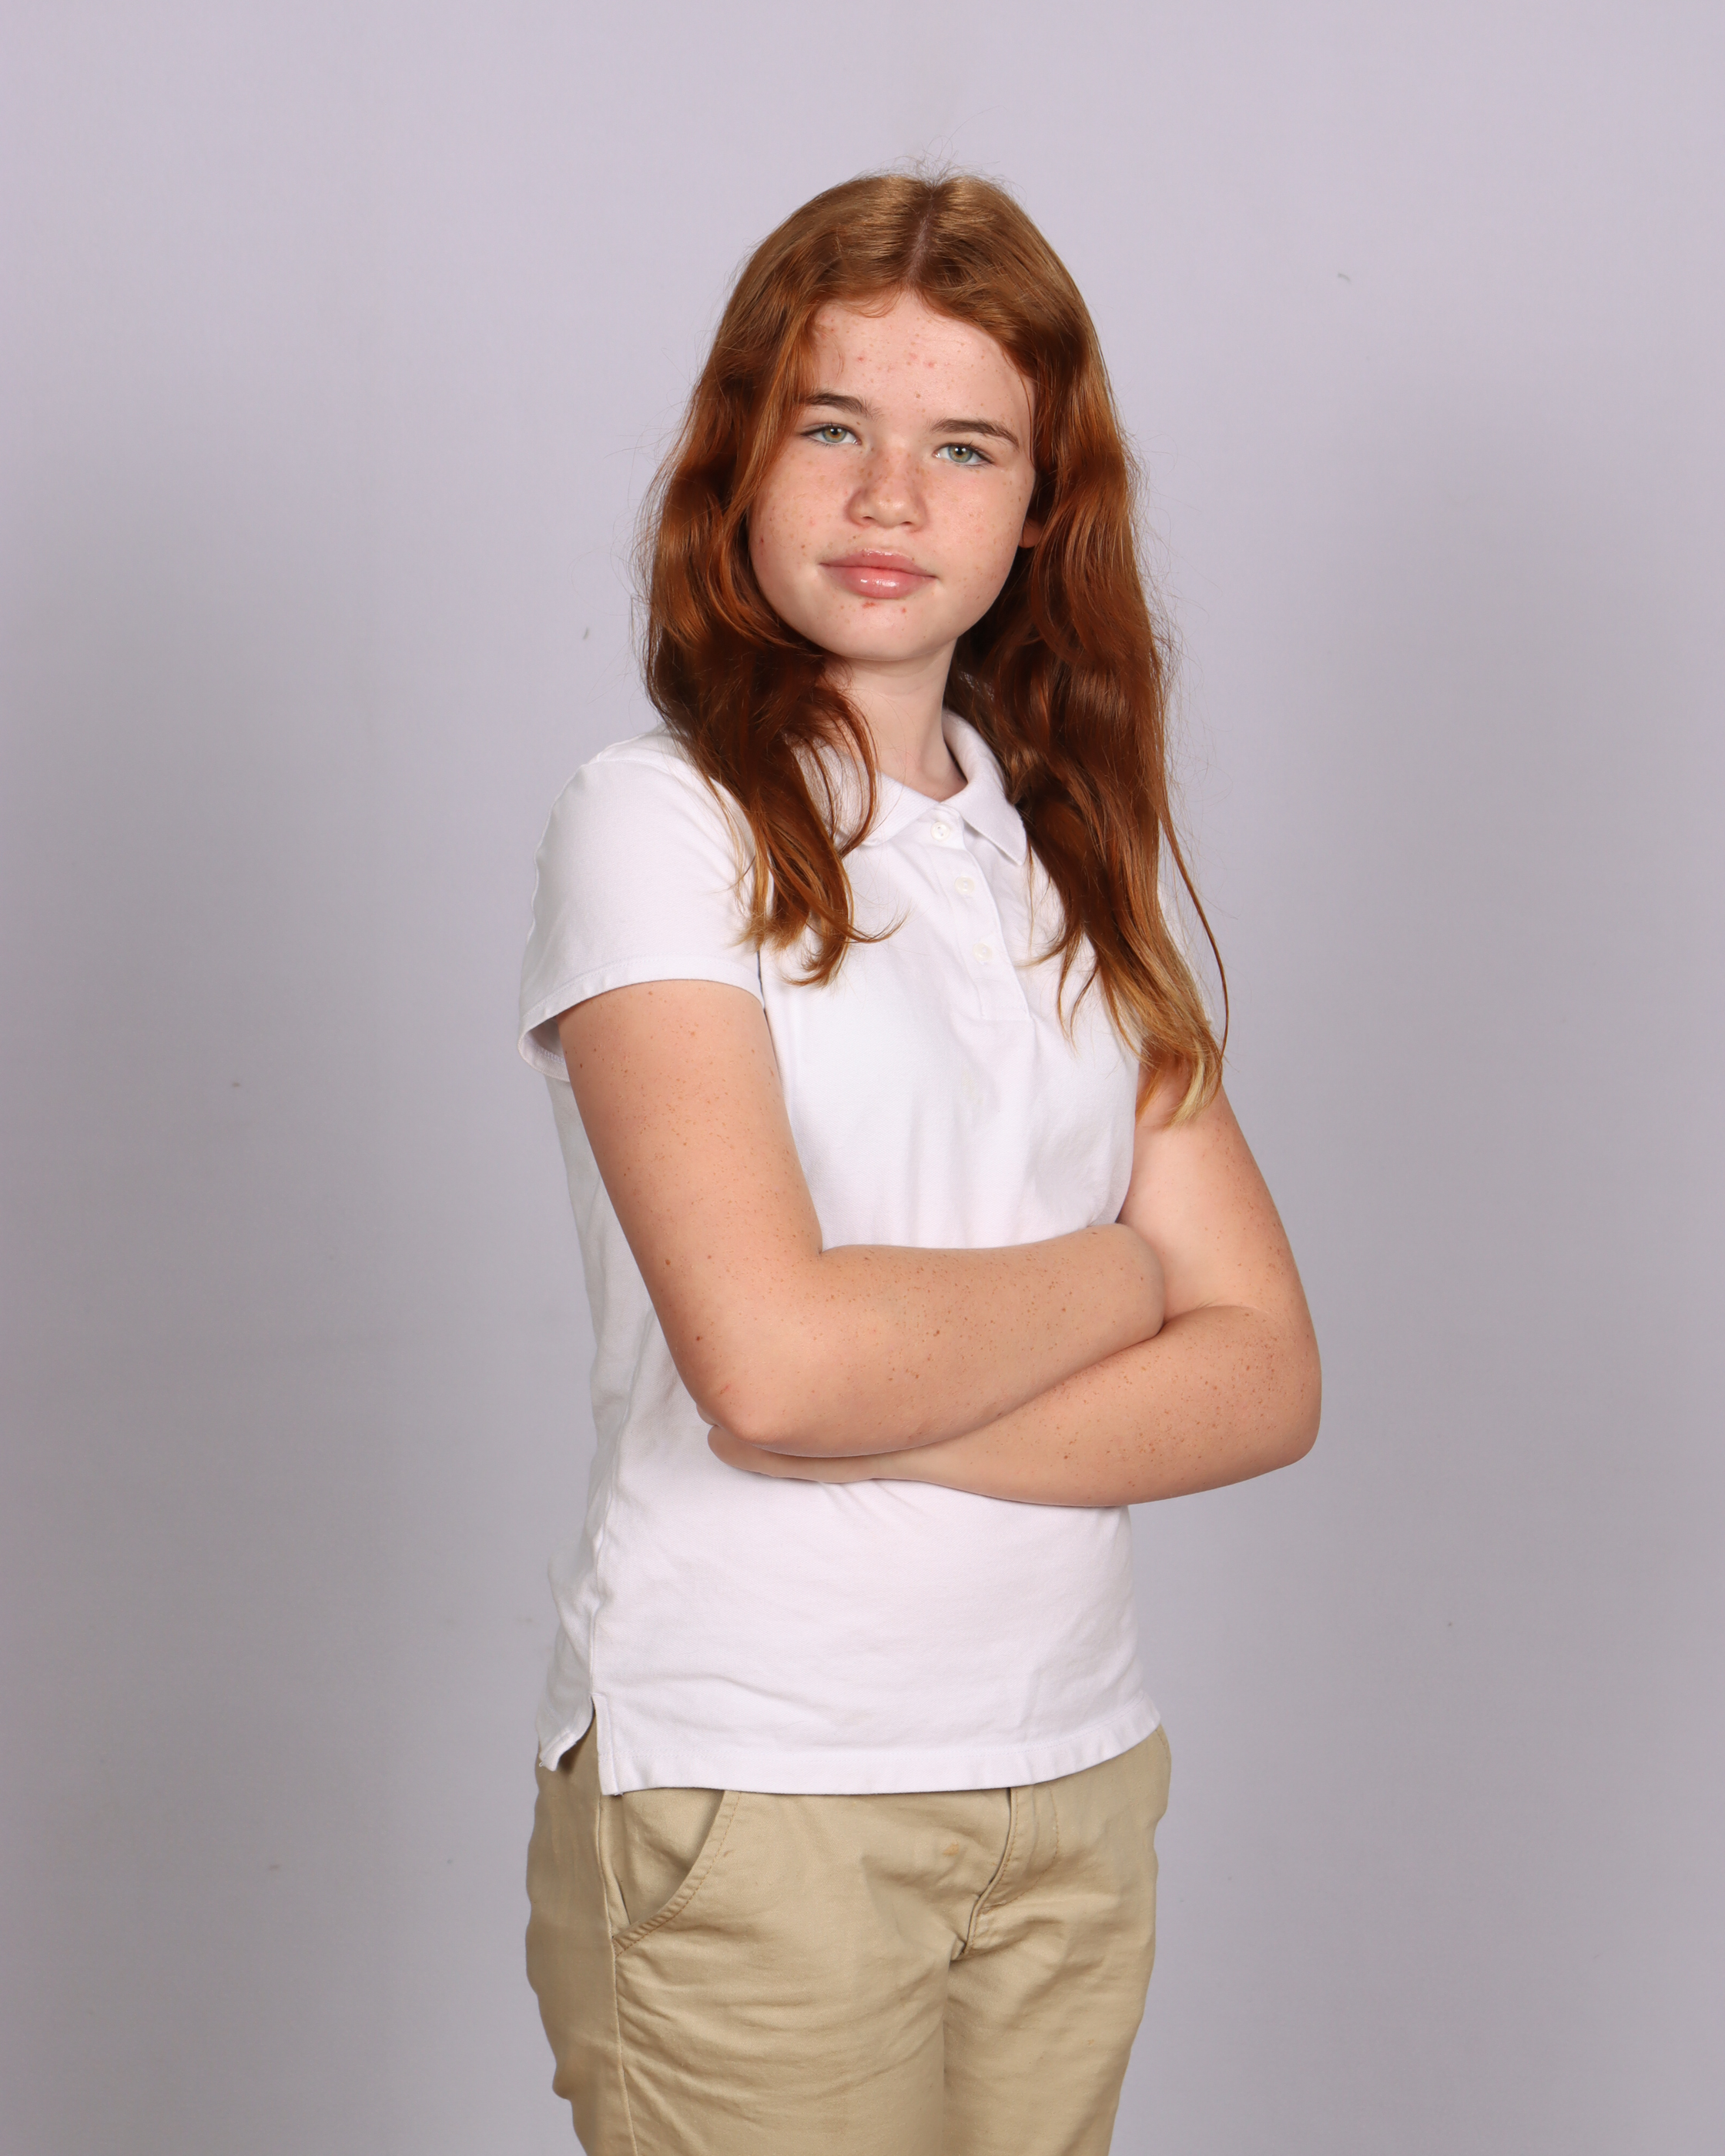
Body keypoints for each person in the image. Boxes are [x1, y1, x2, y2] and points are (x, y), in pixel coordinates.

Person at [516, 170, 1320, 2156]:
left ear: (1040, 509)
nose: (892, 498)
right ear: (740, 455)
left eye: (965, 446)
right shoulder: (662, 826)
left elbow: (1268, 1377)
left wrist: (885, 1391)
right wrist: (1122, 1280)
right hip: (764, 1785)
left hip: (1072, 1772)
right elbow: (778, 1370)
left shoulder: (1065, 868)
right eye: (834, 428)